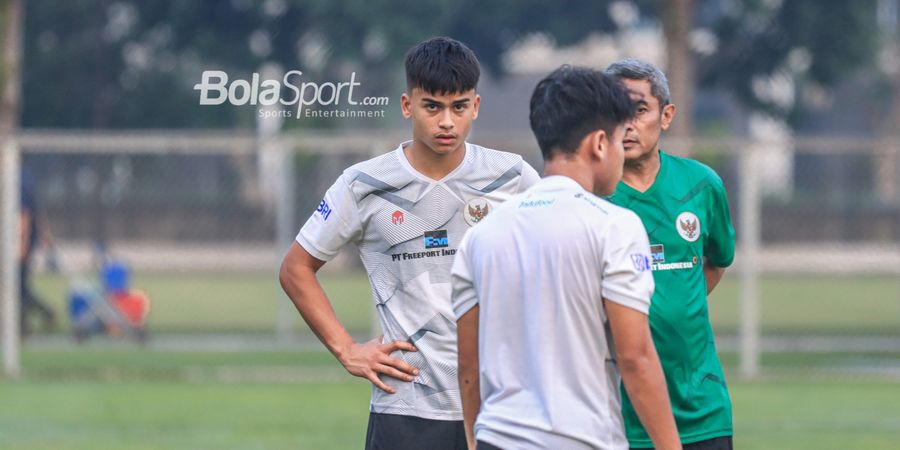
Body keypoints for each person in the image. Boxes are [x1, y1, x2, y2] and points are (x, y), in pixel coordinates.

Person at [279, 36, 540, 450]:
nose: (447, 122)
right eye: (432, 107)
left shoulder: (513, 177)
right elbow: (296, 269)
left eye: (458, 107)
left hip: (499, 405)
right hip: (406, 409)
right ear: (407, 106)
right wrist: (347, 349)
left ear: (475, 106)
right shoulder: (362, 184)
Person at [452, 65, 681, 450]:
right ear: (598, 144)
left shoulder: (480, 235)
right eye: (617, 139)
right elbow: (636, 358)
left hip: (497, 438)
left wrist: (475, 441)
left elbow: (468, 365)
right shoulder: (615, 226)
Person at [604, 58, 736, 450]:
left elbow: (716, 262)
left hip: (701, 408)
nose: (627, 123)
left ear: (666, 115)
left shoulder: (702, 185)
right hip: (616, 415)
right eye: (616, 111)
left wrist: (674, 303)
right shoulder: (589, 196)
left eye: (639, 110)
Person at [19, 169, 58, 337]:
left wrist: (22, 242)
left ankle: (44, 315)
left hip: (20, 241)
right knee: (18, 286)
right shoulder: (24, 178)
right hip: (19, 240)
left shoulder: (18, 180)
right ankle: (22, 325)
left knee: (17, 286)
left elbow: (24, 214)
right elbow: (37, 210)